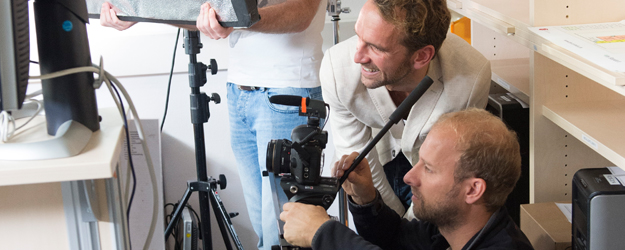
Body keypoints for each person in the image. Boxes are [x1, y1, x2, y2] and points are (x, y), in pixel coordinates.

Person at [100, 1, 327, 249]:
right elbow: (203, 14)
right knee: (264, 232)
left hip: (287, 92)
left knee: (285, 235)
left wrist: (236, 19)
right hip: (240, 91)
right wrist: (140, 14)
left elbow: (302, 12)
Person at [320, 0, 491, 217]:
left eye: (375, 47)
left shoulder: (470, 78)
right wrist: (389, 224)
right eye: (359, 37)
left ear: (421, 56)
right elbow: (357, 157)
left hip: (434, 175)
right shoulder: (337, 69)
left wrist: (411, 230)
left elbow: (449, 173)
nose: (358, 57)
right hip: (377, 166)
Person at [279, 108, 534, 250]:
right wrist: (366, 198)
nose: (410, 176)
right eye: (419, 162)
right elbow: (397, 239)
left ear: (473, 190)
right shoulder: (450, 229)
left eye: (429, 169)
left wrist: (323, 234)